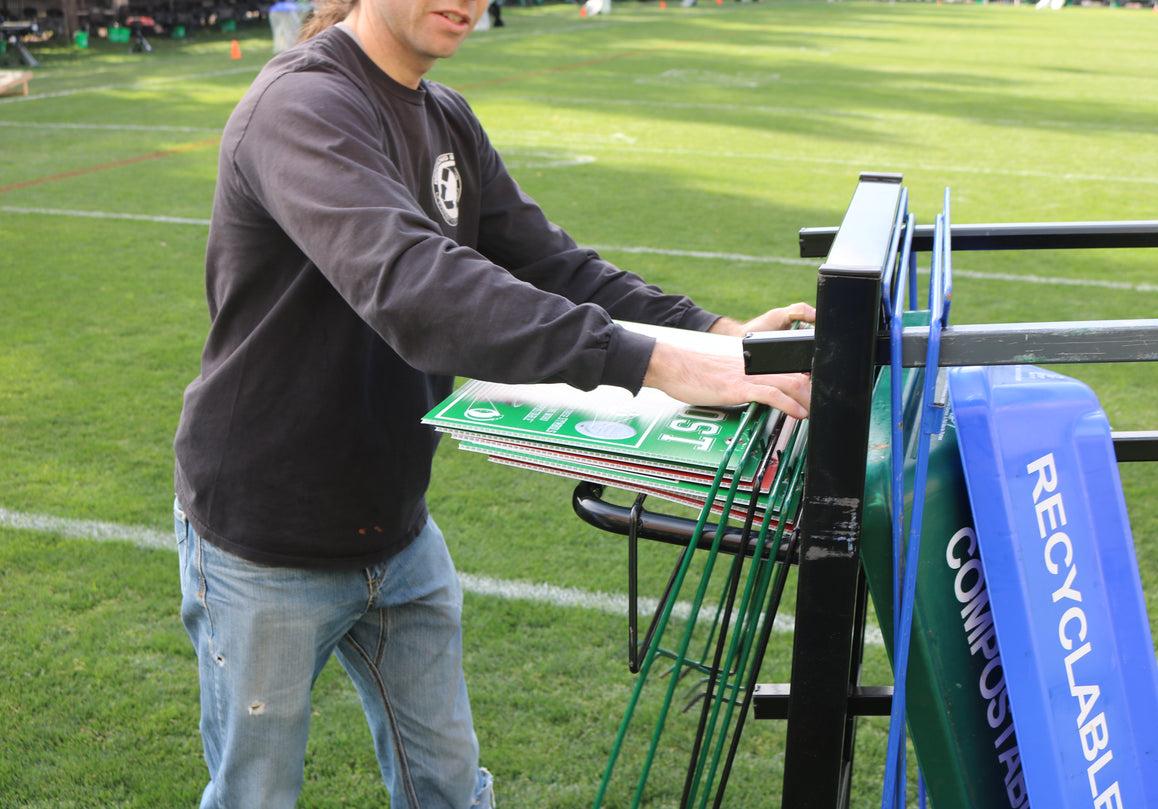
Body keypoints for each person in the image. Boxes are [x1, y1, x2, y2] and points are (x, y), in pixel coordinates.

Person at [171, 0, 814, 805]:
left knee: (450, 789)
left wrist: (721, 337)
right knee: (253, 795)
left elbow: (552, 263)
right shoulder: (302, 104)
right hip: (261, 540)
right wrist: (656, 362)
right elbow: (412, 285)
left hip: (396, 530)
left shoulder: (444, 116)